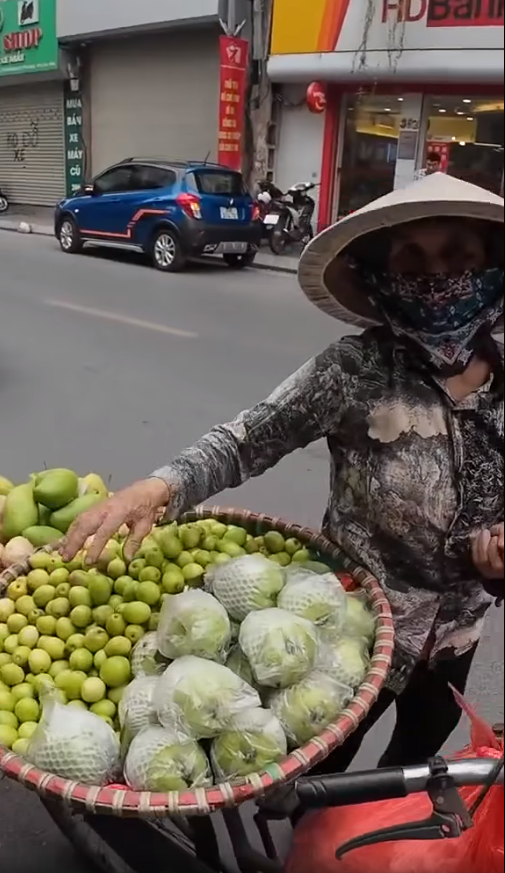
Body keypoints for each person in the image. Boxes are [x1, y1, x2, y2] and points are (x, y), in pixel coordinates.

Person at [62, 173, 504, 774]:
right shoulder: (353, 370)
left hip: (455, 639)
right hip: (350, 632)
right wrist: (160, 486)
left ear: (490, 266)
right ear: (383, 275)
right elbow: (245, 442)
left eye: (457, 254)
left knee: (415, 766)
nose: (437, 275)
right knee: (313, 782)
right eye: (413, 257)